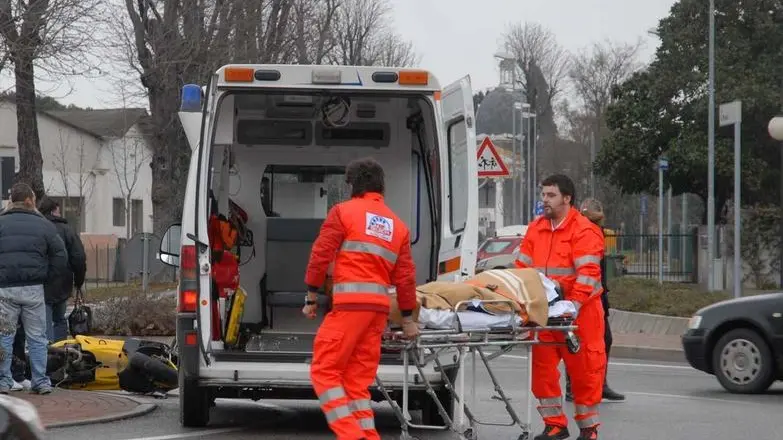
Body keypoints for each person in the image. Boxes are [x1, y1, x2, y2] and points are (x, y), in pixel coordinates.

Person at [303, 157, 419, 440]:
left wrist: (311, 295)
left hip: (350, 308)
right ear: (382, 186)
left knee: (323, 370)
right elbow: (405, 278)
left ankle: (351, 435)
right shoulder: (397, 226)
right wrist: (407, 319)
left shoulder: (343, 212)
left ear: (352, 185)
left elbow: (321, 255)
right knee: (356, 384)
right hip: (377, 313)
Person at [514, 175, 606, 440]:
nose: (545, 200)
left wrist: (573, 305)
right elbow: (522, 270)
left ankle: (589, 429)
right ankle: (555, 424)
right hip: (544, 312)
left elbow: (588, 274)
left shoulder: (584, 230)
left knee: (584, 371)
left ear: (567, 198)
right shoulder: (536, 229)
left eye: (551, 195)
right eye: (543, 195)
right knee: (541, 371)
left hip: (581, 313)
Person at [0, 183, 68, 395]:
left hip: (4, 290)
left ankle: (3, 381)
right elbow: (61, 256)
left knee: (4, 336)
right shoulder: (44, 225)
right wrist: (46, 277)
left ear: (11, 200)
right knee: (37, 337)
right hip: (34, 289)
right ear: (31, 200)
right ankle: (41, 381)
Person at [565, 198, 625, 402]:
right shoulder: (580, 233)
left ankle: (599, 384)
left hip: (597, 297)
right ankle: (574, 386)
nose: (596, 223)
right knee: (575, 341)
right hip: (580, 298)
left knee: (602, 340)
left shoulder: (594, 233)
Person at [38, 197, 87, 343]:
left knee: (44, 322)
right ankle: (60, 353)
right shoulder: (67, 230)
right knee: (59, 319)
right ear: (54, 211)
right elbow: (78, 257)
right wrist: (79, 281)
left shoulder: (38, 227)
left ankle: (47, 354)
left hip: (42, 282)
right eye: (58, 210)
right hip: (62, 282)